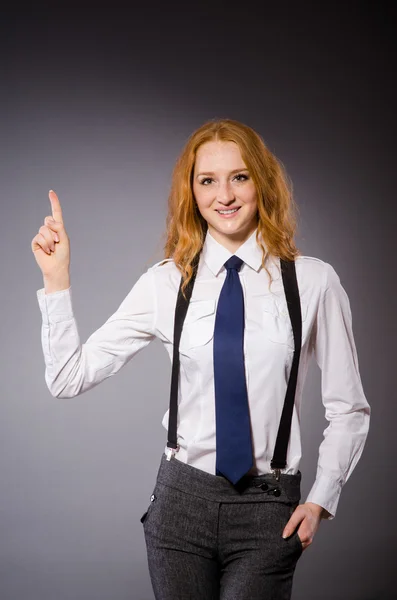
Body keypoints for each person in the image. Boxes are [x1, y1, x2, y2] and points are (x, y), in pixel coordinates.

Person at [32, 118, 370, 600]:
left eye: (239, 176)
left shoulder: (312, 283)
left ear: (262, 182)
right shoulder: (165, 282)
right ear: (191, 192)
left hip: (267, 509)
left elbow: (349, 408)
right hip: (180, 507)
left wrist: (321, 499)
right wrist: (57, 280)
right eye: (207, 180)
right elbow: (68, 378)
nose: (224, 195)